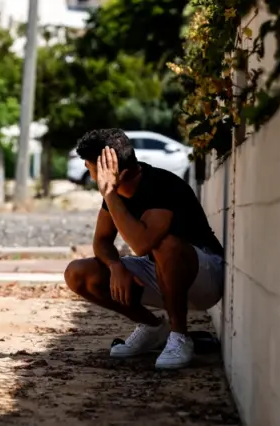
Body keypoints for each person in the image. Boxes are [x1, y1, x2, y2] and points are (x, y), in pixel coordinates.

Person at [64, 129, 225, 370]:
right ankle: (152, 328)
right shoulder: (116, 192)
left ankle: (180, 336)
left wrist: (109, 193)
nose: (90, 173)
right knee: (78, 273)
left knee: (165, 244)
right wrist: (115, 266)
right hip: (159, 272)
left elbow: (142, 244)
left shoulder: (162, 185)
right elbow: (101, 242)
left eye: (91, 168)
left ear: (121, 172)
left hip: (205, 276)